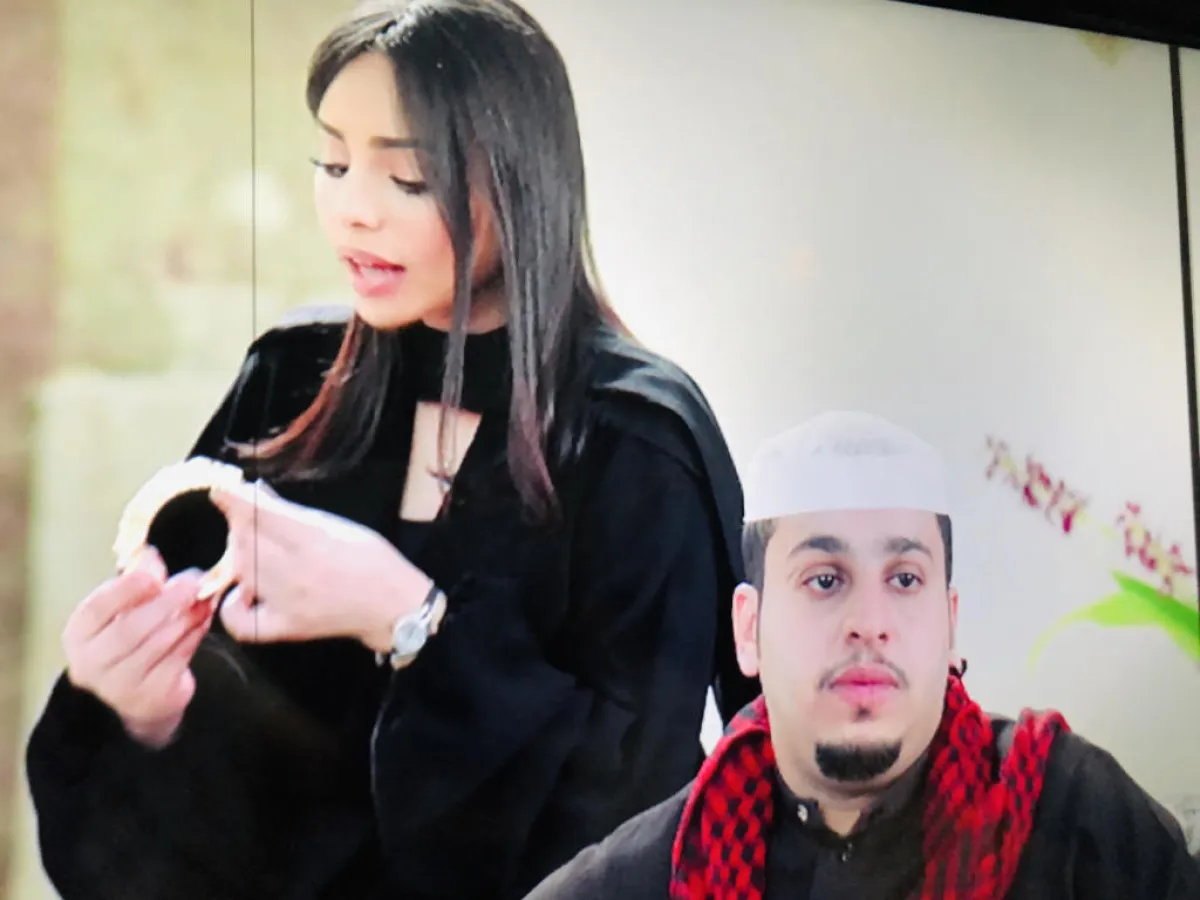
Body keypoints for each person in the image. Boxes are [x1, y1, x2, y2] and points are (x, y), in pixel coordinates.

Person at [22, 2, 758, 898]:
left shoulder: (637, 442)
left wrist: (412, 621)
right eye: (332, 164)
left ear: (522, 181)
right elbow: (190, 832)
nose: (353, 213)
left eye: (407, 179)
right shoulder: (290, 382)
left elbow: (644, 827)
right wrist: (141, 713)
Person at [526, 411, 1200, 899]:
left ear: (949, 623)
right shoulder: (651, 874)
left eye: (904, 580)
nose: (870, 624)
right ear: (748, 629)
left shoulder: (1076, 817)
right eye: (825, 580)